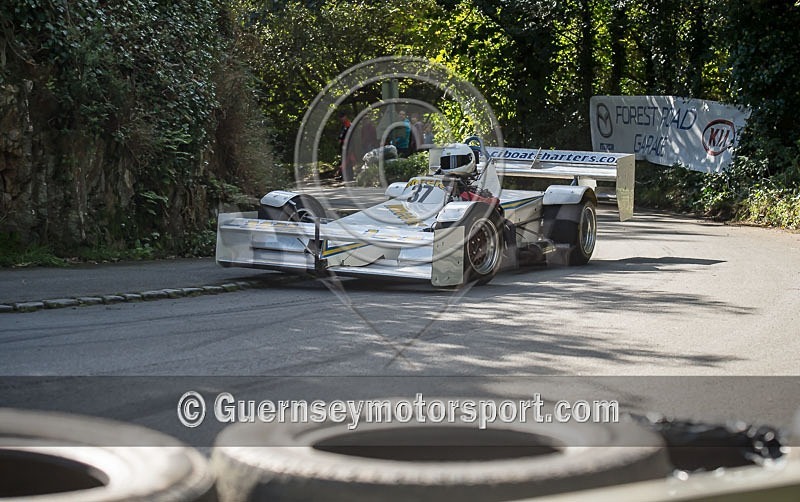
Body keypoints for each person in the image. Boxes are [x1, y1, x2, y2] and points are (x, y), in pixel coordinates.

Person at [337, 111, 356, 181]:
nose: (341, 119)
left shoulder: (348, 125)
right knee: (345, 160)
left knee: (348, 161)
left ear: (345, 116)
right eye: (340, 118)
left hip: (348, 145)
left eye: (342, 117)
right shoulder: (344, 125)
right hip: (344, 145)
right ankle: (345, 175)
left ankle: (349, 176)